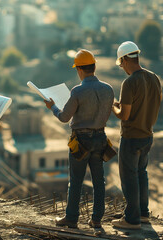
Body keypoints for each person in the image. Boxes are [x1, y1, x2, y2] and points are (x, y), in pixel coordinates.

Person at [44, 49, 114, 229]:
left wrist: (53, 107)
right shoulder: (108, 89)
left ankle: (71, 218)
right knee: (99, 181)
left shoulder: (77, 91)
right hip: (101, 138)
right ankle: (97, 219)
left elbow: (64, 117)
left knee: (76, 181)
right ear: (94, 67)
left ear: (79, 70)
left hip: (81, 140)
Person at [112, 41, 162, 229]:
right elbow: (149, 104)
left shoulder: (130, 82)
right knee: (142, 174)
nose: (122, 67)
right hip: (147, 135)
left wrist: (113, 108)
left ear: (125, 59)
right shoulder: (154, 78)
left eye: (121, 63)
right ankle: (143, 214)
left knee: (129, 177)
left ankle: (131, 219)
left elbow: (124, 115)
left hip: (131, 137)